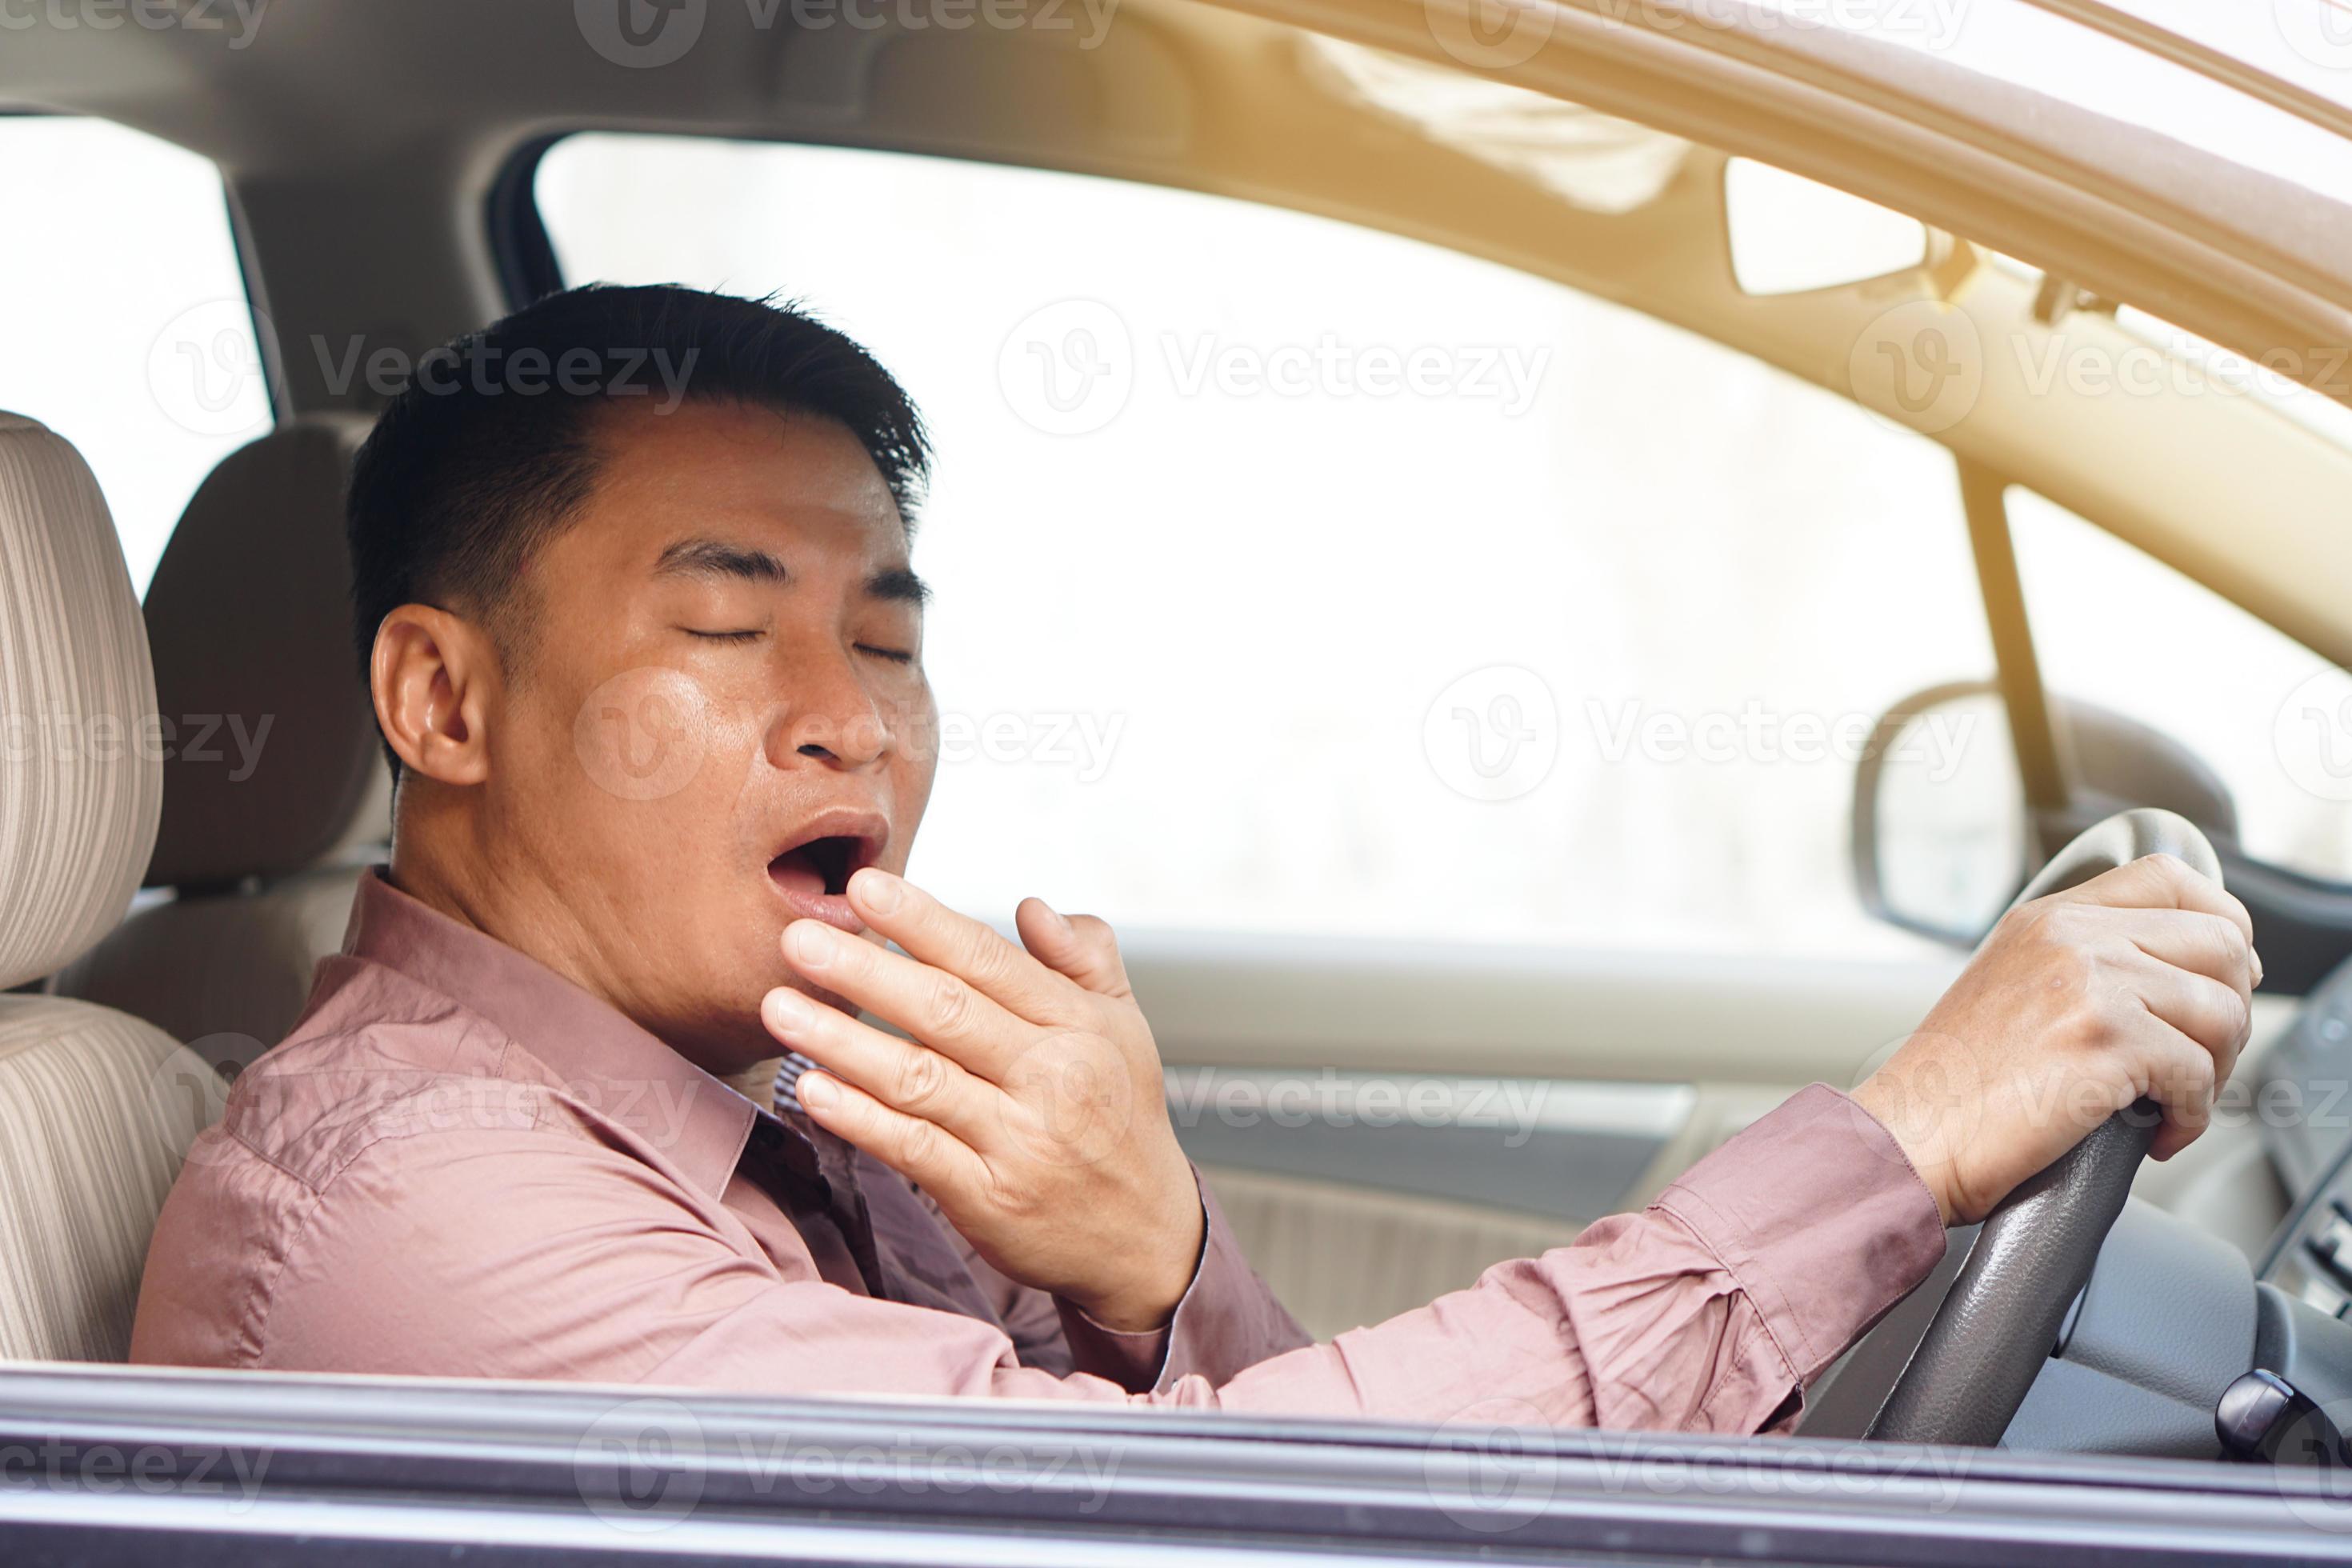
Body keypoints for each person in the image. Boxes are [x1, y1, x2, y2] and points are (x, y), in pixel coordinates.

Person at [132, 286, 2259, 1431]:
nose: (847, 712)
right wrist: (1893, 1147)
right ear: (440, 706)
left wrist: (1149, 1262)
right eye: (724, 626)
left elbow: (1279, 1459)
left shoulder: (788, 1099)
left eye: (887, 638)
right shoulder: (413, 1204)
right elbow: (1185, 1522)